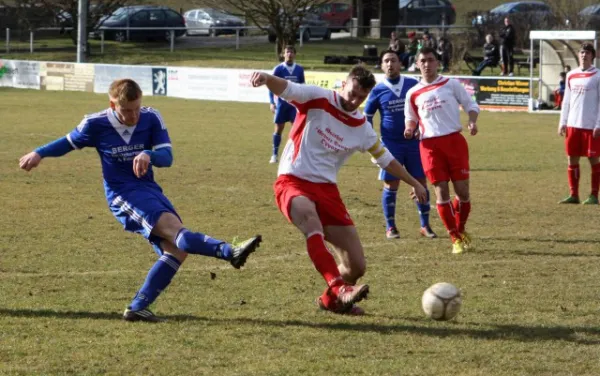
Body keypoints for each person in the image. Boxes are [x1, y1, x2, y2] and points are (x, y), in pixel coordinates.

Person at [19, 79, 262, 322]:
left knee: (177, 250)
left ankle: (137, 308)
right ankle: (229, 250)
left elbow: (167, 158)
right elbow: (67, 143)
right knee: (177, 232)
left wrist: (148, 153)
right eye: (126, 110)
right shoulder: (95, 124)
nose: (133, 115)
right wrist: (38, 153)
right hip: (122, 195)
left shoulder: (151, 118)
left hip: (149, 190)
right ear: (112, 105)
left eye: (137, 108)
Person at [250, 66, 427, 315]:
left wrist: (415, 182)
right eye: (352, 93)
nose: (354, 101)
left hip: (327, 191)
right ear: (343, 84)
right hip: (292, 181)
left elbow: (385, 158)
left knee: (356, 266)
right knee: (312, 224)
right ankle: (339, 288)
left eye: (360, 98)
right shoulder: (317, 98)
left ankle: (330, 301)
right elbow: (286, 88)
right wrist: (267, 78)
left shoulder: (362, 127)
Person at [404, 47, 480, 254]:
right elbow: (410, 118)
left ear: (437, 63)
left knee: (463, 192)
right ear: (417, 65)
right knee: (441, 192)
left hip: (454, 142)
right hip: (429, 146)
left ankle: (460, 229)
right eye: (423, 61)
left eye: (430, 60)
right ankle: (454, 237)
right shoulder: (412, 93)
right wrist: (409, 129)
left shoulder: (451, 84)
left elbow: (471, 104)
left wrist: (472, 121)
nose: (427, 64)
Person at [364, 49, 437, 239]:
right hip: (390, 145)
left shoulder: (413, 85)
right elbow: (367, 117)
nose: (390, 64)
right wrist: (370, 139)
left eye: (393, 60)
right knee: (391, 183)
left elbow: (426, 109)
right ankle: (391, 227)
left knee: (421, 182)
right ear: (381, 66)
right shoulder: (377, 90)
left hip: (414, 143)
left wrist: (422, 128)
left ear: (400, 64)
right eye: (386, 61)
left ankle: (425, 225)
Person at [558, 43, 600, 205]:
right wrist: (563, 122)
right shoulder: (571, 75)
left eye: (588, 53)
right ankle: (574, 194)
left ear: (592, 56)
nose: (584, 55)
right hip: (573, 124)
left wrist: (598, 124)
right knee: (572, 158)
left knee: (593, 159)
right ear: (578, 55)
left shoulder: (597, 75)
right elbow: (566, 101)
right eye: (582, 52)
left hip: (591, 126)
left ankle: (594, 195)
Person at [268, 45, 305, 164]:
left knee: (298, 130)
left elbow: (303, 87)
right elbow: (270, 86)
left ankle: (296, 155)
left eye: (291, 52)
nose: (289, 54)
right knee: (278, 129)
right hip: (282, 105)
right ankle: (274, 154)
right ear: (283, 54)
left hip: (295, 105)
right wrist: (272, 102)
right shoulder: (278, 69)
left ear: (294, 54)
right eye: (287, 52)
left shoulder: (299, 69)